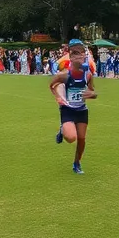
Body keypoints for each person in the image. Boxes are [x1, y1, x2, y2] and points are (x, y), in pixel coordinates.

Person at [49, 44, 96, 174]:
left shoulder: (88, 75)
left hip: (81, 110)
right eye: (77, 54)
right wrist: (58, 97)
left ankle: (77, 163)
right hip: (68, 110)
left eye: (82, 54)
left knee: (81, 139)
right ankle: (63, 129)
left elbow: (93, 91)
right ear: (71, 57)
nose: (81, 57)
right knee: (71, 138)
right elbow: (52, 86)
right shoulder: (64, 75)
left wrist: (92, 94)